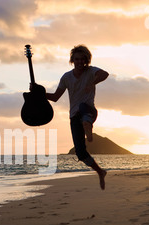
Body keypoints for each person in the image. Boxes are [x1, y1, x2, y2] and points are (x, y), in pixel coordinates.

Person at [46, 45, 109, 190]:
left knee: (83, 108)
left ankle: (87, 124)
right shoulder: (67, 77)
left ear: (87, 60)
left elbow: (105, 74)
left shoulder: (91, 71)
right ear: (72, 60)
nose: (80, 62)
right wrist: (39, 93)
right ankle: (100, 171)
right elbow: (55, 97)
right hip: (74, 116)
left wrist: (92, 83)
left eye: (82, 59)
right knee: (80, 153)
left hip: (89, 110)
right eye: (77, 59)